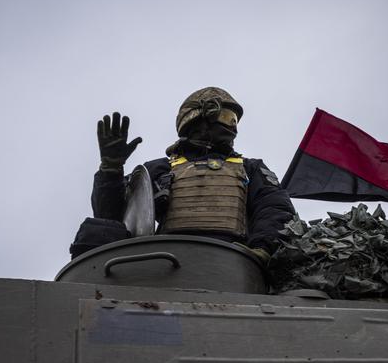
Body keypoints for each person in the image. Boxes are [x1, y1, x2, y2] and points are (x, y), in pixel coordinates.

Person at [73, 87, 295, 260]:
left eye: (235, 120)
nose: (233, 127)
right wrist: (110, 169)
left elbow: (274, 208)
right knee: (94, 231)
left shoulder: (250, 168)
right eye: (227, 117)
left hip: (233, 258)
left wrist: (262, 249)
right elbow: (111, 217)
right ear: (197, 117)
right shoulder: (158, 169)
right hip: (164, 257)